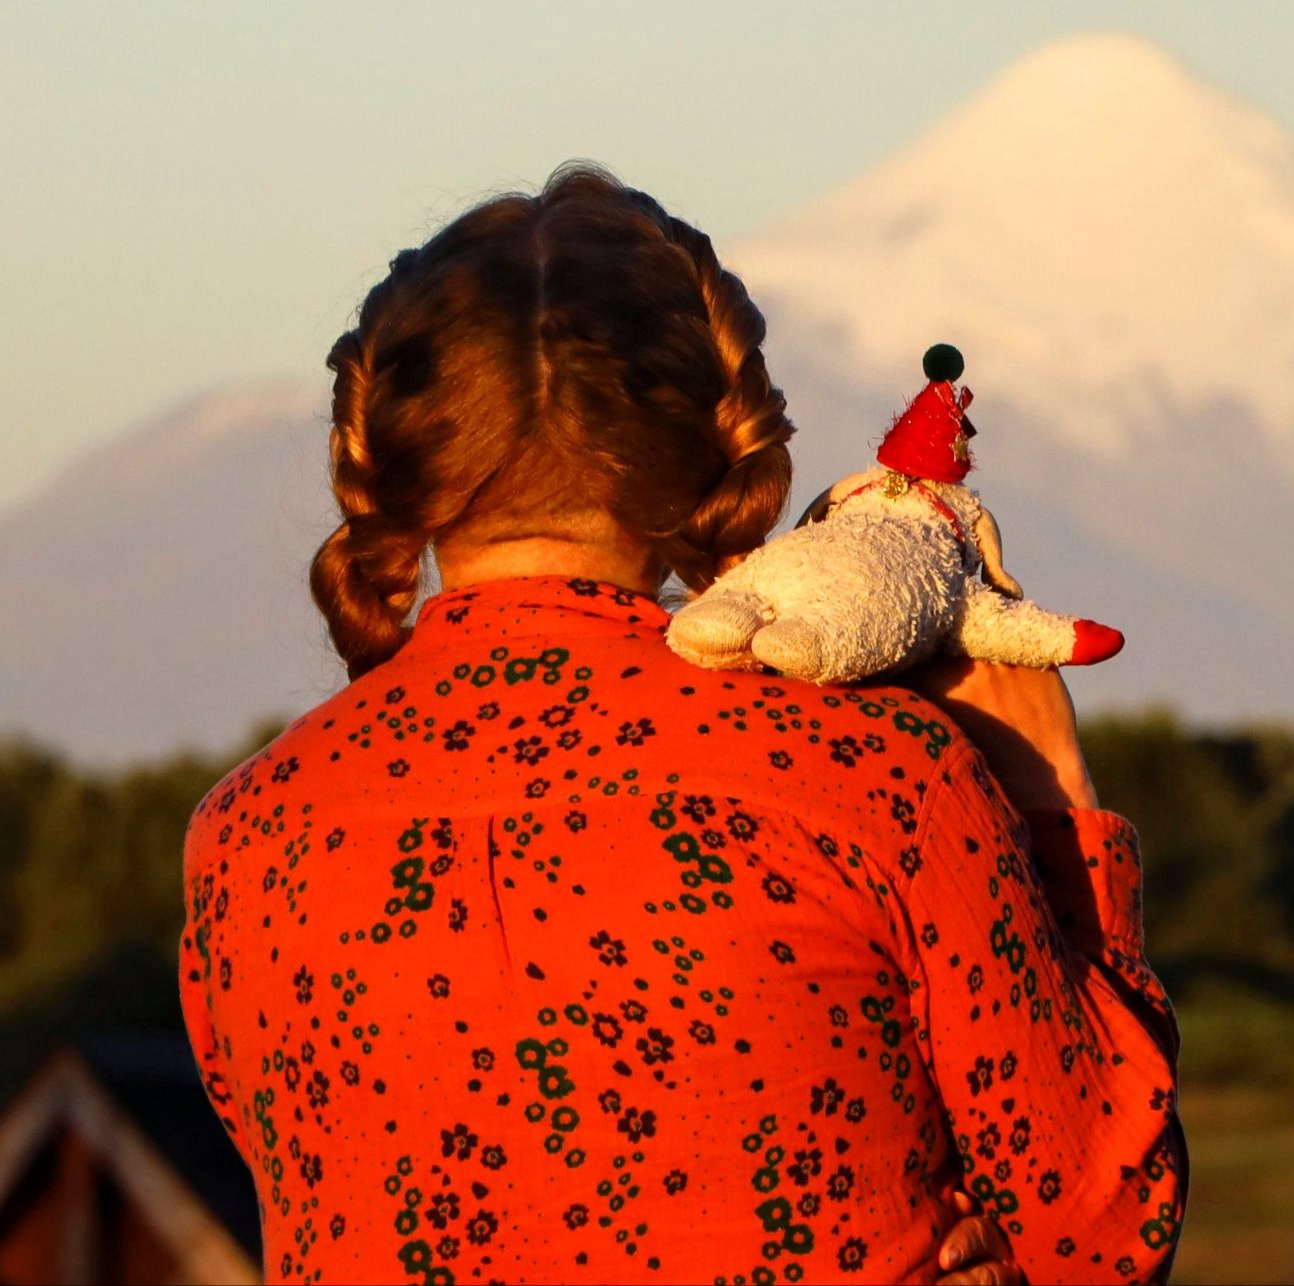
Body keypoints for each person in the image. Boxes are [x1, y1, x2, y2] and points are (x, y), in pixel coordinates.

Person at [178, 163, 1186, 1285]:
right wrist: (1048, 792)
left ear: (389, 449)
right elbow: (1100, 1228)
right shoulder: (878, 781)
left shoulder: (244, 840)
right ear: (718, 438)